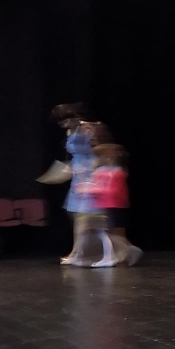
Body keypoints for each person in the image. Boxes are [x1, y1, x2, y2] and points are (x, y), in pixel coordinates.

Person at [51, 104, 111, 266]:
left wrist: (96, 170)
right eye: (61, 123)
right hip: (77, 174)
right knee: (76, 214)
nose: (64, 125)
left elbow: (103, 151)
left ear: (75, 117)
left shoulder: (89, 128)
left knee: (86, 216)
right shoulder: (70, 132)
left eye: (66, 121)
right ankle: (79, 251)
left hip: (91, 173)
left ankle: (81, 253)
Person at [82, 144, 143, 267]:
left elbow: (112, 191)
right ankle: (112, 255)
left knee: (107, 233)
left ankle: (124, 251)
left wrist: (93, 189)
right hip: (103, 205)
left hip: (112, 205)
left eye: (98, 157)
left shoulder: (116, 172)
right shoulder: (104, 171)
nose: (95, 160)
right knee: (104, 232)